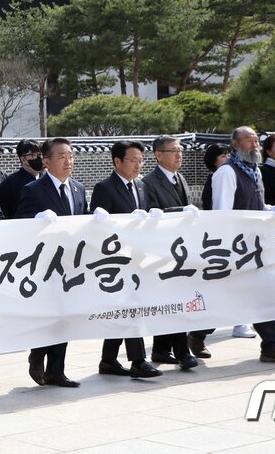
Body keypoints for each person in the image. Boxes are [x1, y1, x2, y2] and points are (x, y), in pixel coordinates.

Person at [212, 126, 275, 364]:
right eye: (249, 141)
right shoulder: (227, 173)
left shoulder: (253, 171)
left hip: (257, 246)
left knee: (265, 292)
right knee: (219, 295)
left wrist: (270, 210)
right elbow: (222, 212)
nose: (254, 145)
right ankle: (197, 334)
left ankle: (271, 344)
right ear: (235, 145)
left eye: (256, 141)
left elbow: (254, 205)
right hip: (237, 247)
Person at [89, 140, 165, 378]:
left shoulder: (141, 186)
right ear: (117, 161)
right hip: (115, 262)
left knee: (125, 310)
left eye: (141, 160)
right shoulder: (105, 188)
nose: (138, 165)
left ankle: (108, 360)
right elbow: (98, 228)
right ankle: (138, 361)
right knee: (131, 309)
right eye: (133, 160)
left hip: (137, 259)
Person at [15, 137, 87, 387]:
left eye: (70, 155)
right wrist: (38, 217)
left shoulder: (78, 188)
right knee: (47, 316)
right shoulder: (33, 190)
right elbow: (20, 223)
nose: (68, 161)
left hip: (70, 265)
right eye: (62, 156)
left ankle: (57, 370)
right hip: (44, 265)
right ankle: (37, 355)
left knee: (65, 317)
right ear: (46, 161)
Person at [143, 136, 199, 368]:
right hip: (162, 252)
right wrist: (180, 210)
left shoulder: (181, 178)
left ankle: (161, 349)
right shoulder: (148, 182)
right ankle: (182, 352)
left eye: (180, 150)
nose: (179, 155)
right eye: (173, 151)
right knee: (173, 302)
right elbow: (151, 213)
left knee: (174, 301)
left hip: (181, 250)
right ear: (158, 155)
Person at [188, 142, 230, 357]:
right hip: (216, 246)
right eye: (222, 156)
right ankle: (197, 335)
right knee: (214, 297)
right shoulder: (214, 181)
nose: (227, 159)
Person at [0, 138, 44, 218]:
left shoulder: (47, 180)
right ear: (23, 159)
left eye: (39, 154)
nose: (38, 158)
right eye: (33, 155)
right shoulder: (9, 184)